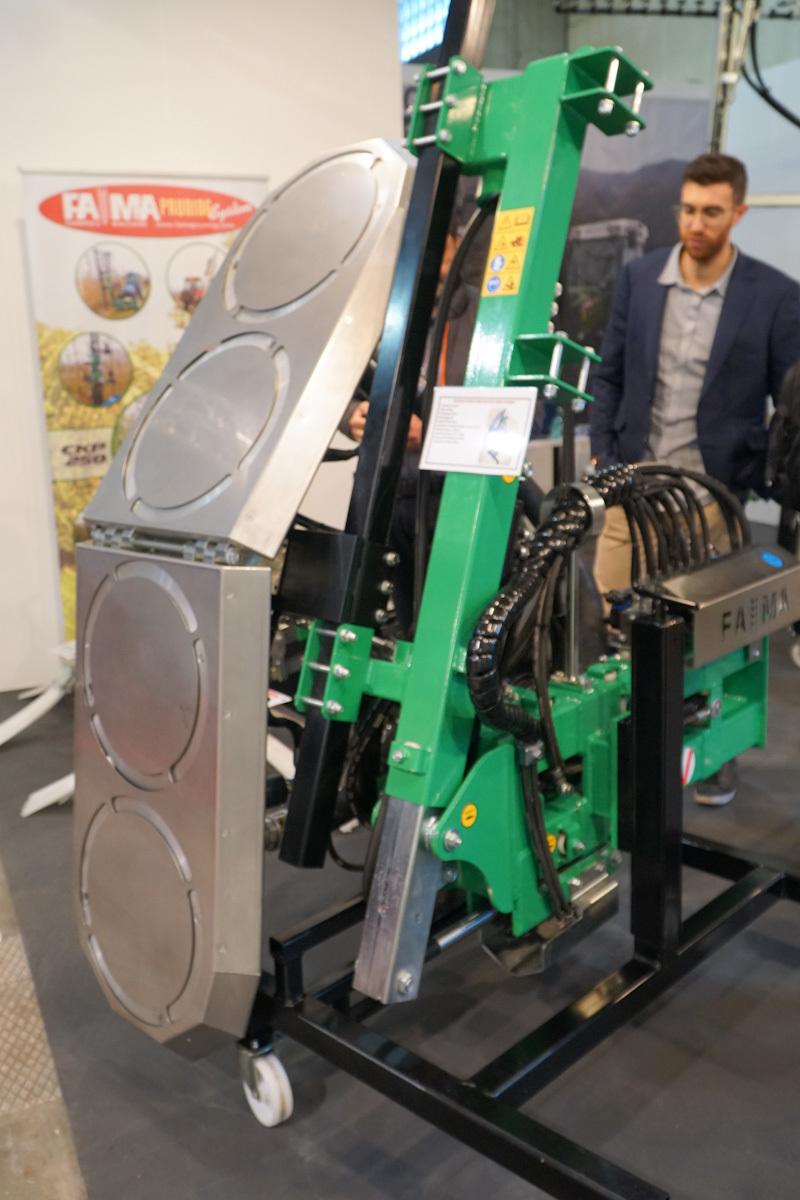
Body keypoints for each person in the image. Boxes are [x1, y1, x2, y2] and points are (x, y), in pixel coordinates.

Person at [590, 152, 800, 806]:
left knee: (711, 638)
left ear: (738, 212)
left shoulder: (774, 295)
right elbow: (609, 374)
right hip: (634, 491)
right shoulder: (639, 279)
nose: (696, 223)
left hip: (714, 497)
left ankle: (712, 753)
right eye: (687, 209)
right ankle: (615, 750)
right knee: (612, 623)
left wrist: (762, 470)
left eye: (712, 211)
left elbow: (791, 404)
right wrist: (604, 454)